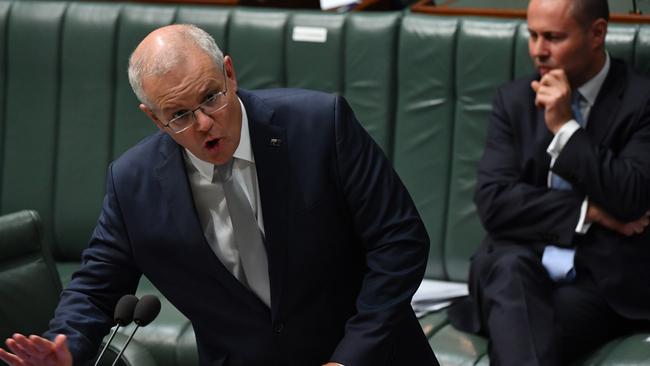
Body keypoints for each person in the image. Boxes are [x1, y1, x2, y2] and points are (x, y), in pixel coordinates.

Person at [0, 24, 437, 366]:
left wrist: (349, 357)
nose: (205, 123)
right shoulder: (133, 185)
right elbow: (94, 291)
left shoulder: (320, 126)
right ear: (154, 118)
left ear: (229, 72)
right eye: (179, 115)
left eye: (211, 97)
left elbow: (399, 243)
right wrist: (67, 347)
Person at [448, 0, 650, 365]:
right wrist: (590, 211)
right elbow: (494, 202)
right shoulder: (513, 100)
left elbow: (633, 196)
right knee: (510, 276)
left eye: (554, 37)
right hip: (515, 262)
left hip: (597, 279)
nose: (538, 50)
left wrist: (566, 131)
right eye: (533, 35)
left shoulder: (641, 100)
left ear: (597, 33)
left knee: (522, 330)